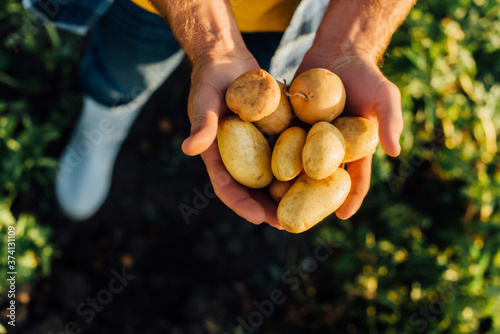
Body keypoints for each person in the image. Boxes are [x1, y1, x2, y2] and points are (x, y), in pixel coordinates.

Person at [24, 0, 416, 228]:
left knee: (263, 85)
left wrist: (351, 41)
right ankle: (104, 125)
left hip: (294, 11)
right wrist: (212, 39)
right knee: (123, 70)